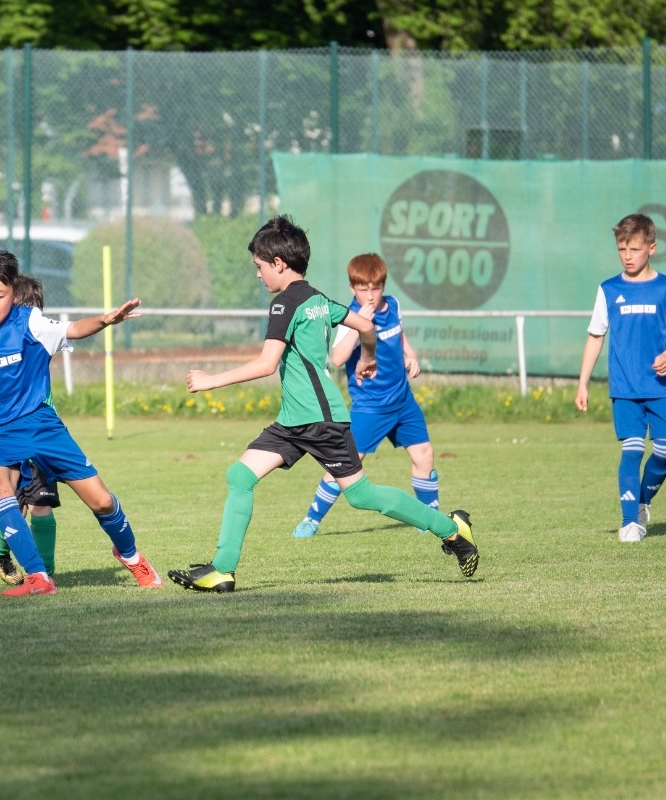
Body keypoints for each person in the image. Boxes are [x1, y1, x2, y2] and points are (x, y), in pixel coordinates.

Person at [168, 215, 478, 592]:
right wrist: (368, 358)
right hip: (295, 420)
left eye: (259, 266)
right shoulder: (318, 299)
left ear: (279, 263)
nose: (258, 274)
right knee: (240, 476)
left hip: (318, 421)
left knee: (362, 495)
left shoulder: (284, 304)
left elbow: (267, 364)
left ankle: (451, 529)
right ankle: (222, 569)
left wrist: (211, 380)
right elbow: (366, 326)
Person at [0, 248, 164, 596]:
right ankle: (39, 577)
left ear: (13, 292)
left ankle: (130, 556)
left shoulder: (29, 322)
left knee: (101, 502)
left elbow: (73, 329)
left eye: (1, 295)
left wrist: (105, 320)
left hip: (42, 427)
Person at [291, 252, 439, 538]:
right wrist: (362, 325)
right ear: (352, 288)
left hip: (403, 400)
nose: (370, 295)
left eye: (376, 288)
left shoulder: (393, 305)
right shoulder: (350, 317)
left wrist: (410, 355)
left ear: (383, 286)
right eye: (362, 289)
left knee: (424, 455)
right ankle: (312, 519)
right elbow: (337, 358)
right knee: (345, 464)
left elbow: (399, 334)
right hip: (370, 406)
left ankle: (430, 517)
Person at [575, 213, 666, 543]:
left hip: (660, 386)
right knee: (633, 448)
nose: (627, 256)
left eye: (634, 249)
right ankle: (629, 522)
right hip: (625, 387)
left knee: (665, 450)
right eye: (622, 249)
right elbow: (596, 335)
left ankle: (642, 501)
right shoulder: (609, 289)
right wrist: (582, 382)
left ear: (651, 248)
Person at [0, 274, 60, 586]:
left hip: (41, 437)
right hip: (8, 438)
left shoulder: (40, 340)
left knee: (42, 504)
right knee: (14, 506)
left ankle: (45, 574)